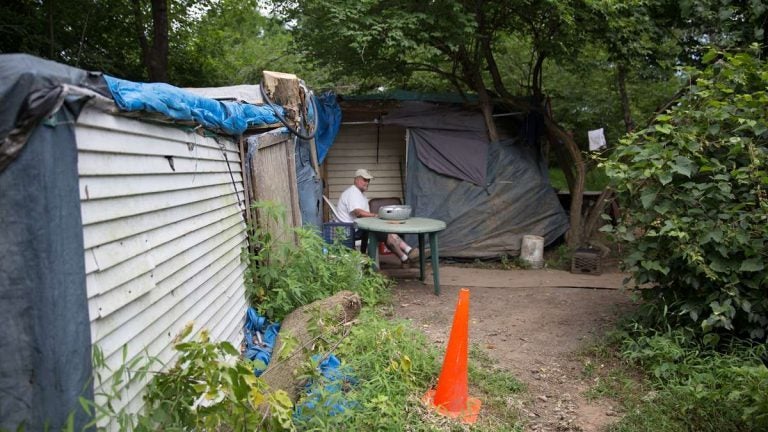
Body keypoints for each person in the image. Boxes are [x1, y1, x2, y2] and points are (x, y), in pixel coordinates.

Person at [336, 168, 417, 263]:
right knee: (385, 232)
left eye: (368, 180)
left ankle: (406, 256)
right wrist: (376, 216)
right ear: (356, 179)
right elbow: (358, 213)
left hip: (356, 228)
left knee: (387, 233)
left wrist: (377, 216)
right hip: (350, 231)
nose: (367, 183)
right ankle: (408, 253)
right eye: (364, 180)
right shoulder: (352, 192)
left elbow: (363, 215)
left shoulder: (359, 194)